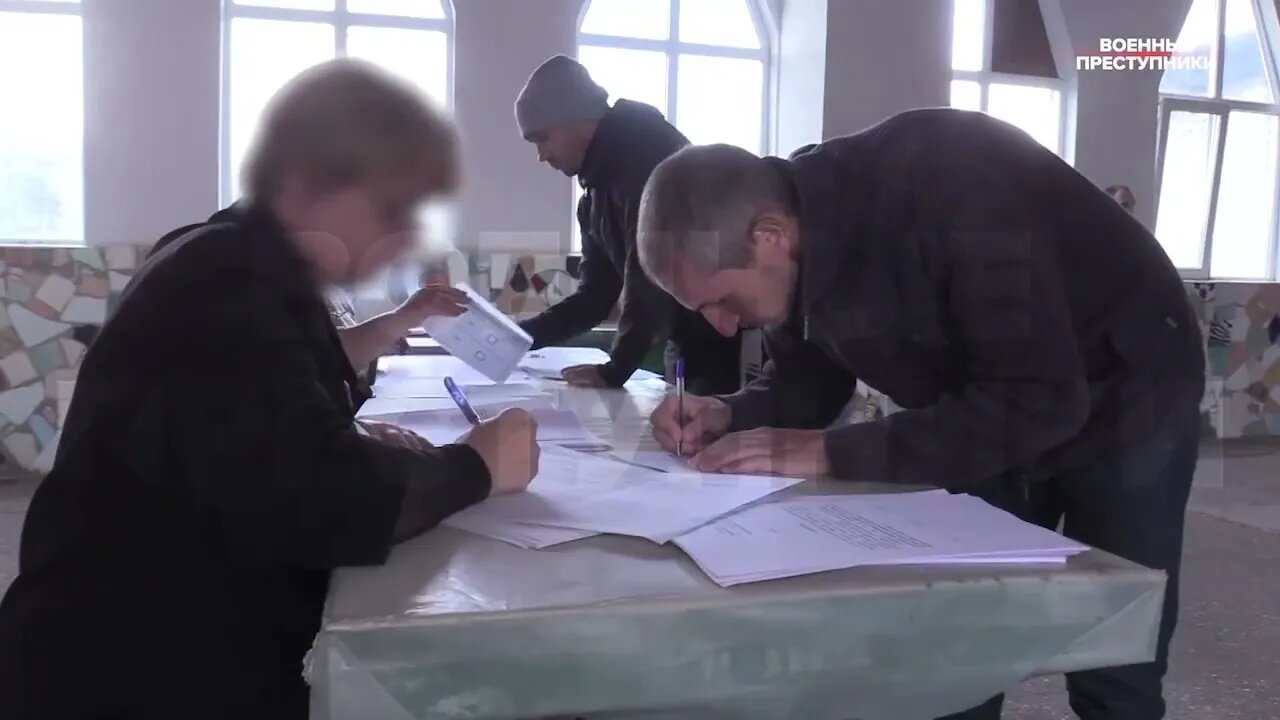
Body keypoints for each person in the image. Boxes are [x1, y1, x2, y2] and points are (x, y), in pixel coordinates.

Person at [0, 59, 540, 720]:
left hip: (150, 627)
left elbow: (283, 381)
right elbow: (320, 493)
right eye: (390, 209)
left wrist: (398, 326)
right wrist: (476, 466)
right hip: (126, 668)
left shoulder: (228, 255)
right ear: (307, 184)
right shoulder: (223, 281)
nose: (402, 238)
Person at [639, 109, 1205, 720]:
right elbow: (808, 382)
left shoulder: (951, 188)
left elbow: (1041, 398)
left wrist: (835, 451)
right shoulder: (796, 238)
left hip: (1130, 380)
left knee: (1115, 644)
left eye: (724, 299)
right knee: (958, 626)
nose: (722, 325)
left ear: (770, 234)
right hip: (986, 395)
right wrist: (727, 411)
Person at [512, 54, 742, 395]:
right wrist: (520, 337)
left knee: (701, 434)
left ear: (575, 119)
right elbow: (595, 295)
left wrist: (615, 370)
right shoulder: (595, 195)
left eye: (542, 138)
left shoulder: (648, 155)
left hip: (724, 334)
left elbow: (647, 275)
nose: (541, 155)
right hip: (685, 339)